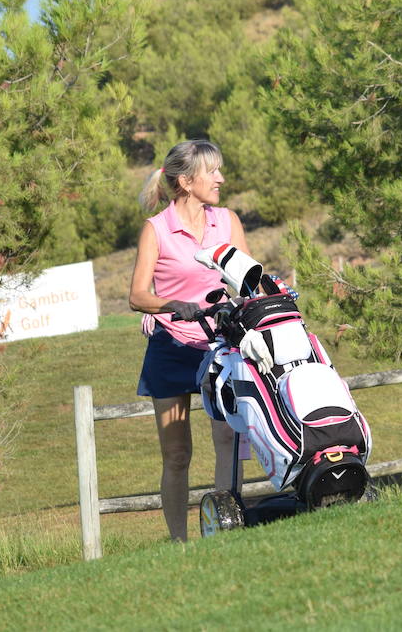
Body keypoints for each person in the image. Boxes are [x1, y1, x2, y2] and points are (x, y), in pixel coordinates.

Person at [128, 139, 248, 542]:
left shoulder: (227, 221)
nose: (221, 178)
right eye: (211, 171)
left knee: (227, 437)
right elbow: (137, 295)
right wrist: (169, 305)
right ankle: (179, 545)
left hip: (219, 345)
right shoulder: (156, 229)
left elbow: (246, 279)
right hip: (172, 348)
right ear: (185, 180)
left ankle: (225, 531)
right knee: (177, 456)